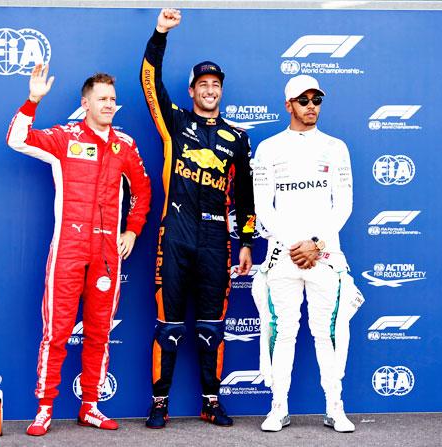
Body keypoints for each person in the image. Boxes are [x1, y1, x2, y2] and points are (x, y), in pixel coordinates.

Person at [6, 65, 151, 435]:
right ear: (85, 102)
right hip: (69, 249)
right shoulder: (65, 137)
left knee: (100, 332)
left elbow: (143, 190)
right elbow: (17, 140)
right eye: (102, 99)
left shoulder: (125, 145)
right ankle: (44, 408)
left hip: (106, 253)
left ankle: (90, 405)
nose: (109, 105)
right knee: (56, 331)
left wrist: (132, 231)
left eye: (113, 100)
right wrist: (32, 100)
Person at [140, 8, 256, 428]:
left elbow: (245, 196)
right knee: (168, 327)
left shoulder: (237, 137)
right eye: (203, 84)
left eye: (216, 85)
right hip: (175, 234)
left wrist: (245, 242)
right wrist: (160, 35)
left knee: (211, 327)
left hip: (215, 239)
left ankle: (211, 401)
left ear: (221, 91)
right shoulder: (175, 123)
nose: (210, 90)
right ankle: (159, 403)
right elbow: (149, 82)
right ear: (191, 90)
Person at [251, 75, 365, 433]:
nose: (311, 106)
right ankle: (277, 407)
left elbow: (343, 205)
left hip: (324, 255)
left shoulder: (336, 147)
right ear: (289, 105)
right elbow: (262, 207)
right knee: (280, 331)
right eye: (304, 100)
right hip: (282, 256)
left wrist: (316, 243)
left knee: (328, 331)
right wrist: (293, 244)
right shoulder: (268, 148)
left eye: (317, 99)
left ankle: (335, 407)